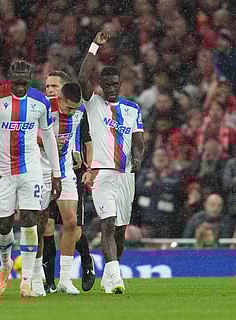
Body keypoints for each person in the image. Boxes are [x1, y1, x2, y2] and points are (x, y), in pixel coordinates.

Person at [0, 60, 62, 297]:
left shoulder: (40, 102)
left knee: (30, 220)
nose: (21, 87)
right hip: (1, 171)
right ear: (10, 77)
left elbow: (50, 139)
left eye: (25, 83)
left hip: (30, 169)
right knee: (3, 225)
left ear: (30, 79)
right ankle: (5, 264)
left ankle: (27, 281)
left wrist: (56, 174)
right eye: (17, 83)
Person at [77, 32, 145, 294]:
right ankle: (116, 279)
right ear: (102, 85)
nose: (112, 87)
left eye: (115, 83)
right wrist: (95, 46)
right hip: (101, 173)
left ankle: (109, 272)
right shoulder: (93, 103)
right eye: (107, 84)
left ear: (120, 83)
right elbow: (82, 77)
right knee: (107, 223)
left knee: (120, 231)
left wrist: (137, 158)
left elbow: (138, 140)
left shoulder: (132, 109)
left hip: (126, 175)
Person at [36, 71, 95, 296]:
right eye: (68, 108)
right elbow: (29, 135)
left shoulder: (80, 111)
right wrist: (46, 143)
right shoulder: (43, 107)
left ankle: (65, 279)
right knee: (41, 225)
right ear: (59, 99)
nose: (72, 112)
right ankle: (36, 274)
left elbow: (80, 138)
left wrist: (79, 157)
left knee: (71, 223)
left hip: (66, 171)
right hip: (41, 170)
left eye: (75, 108)